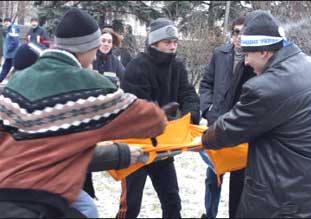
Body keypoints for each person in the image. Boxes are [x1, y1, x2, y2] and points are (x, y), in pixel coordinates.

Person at [0, 8, 168, 218]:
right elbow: (152, 120)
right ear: (87, 48)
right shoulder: (89, 86)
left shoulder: (17, 81)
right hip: (43, 204)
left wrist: (121, 154)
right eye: (95, 47)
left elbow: (52, 147)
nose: (97, 53)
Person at [202, 10, 311, 218]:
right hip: (307, 190)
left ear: (264, 52)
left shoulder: (267, 86)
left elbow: (229, 130)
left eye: (247, 54)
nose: (245, 62)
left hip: (278, 197)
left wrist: (204, 139)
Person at [116, 17, 200, 219]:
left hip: (164, 146)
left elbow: (187, 93)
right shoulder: (137, 67)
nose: (172, 47)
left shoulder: (177, 66)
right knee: (131, 207)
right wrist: (161, 114)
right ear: (154, 43)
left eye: (175, 42)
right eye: (167, 42)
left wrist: (191, 114)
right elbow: (137, 109)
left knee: (172, 203)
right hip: (138, 147)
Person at [199, 16, 255, 218]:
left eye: (244, 33)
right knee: (213, 177)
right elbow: (206, 84)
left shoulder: (254, 59)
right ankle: (209, 214)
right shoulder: (219, 54)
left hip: (241, 132)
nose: (239, 37)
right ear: (232, 34)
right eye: (236, 32)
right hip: (217, 127)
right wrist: (207, 110)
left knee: (239, 181)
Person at [0, 17, 19, 83]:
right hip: (9, 55)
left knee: (16, 69)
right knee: (5, 68)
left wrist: (9, 48)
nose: (6, 23)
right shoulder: (8, 29)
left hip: (13, 54)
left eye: (7, 21)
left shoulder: (13, 29)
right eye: (5, 21)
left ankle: (16, 83)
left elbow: (15, 41)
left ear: (10, 22)